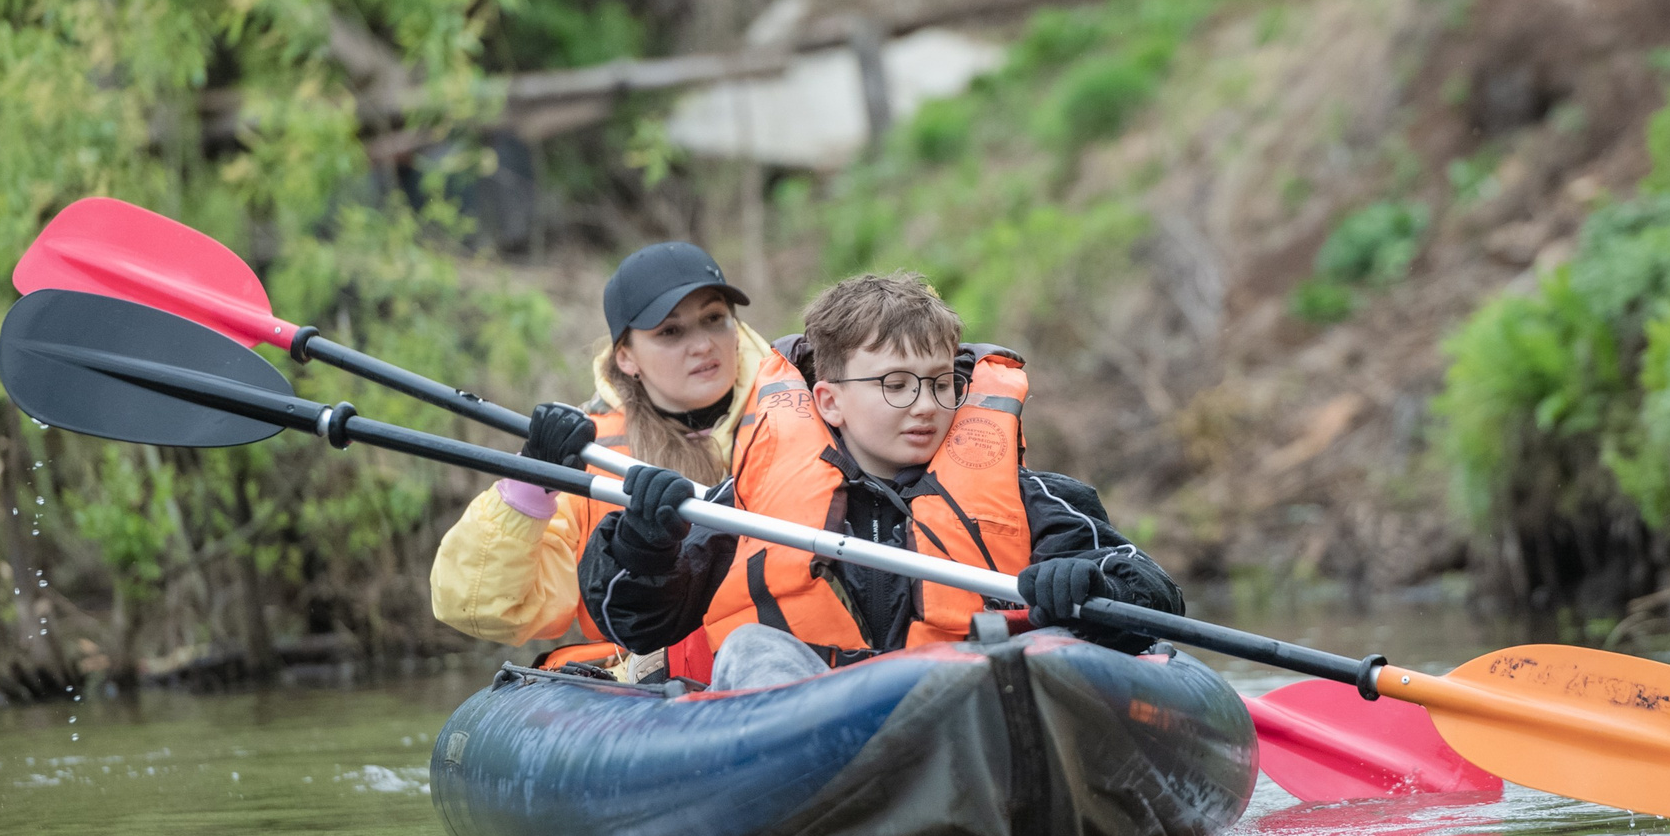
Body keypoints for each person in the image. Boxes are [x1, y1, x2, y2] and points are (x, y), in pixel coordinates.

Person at [577, 270, 1181, 689]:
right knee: (749, 647)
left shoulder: (1031, 499)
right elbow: (637, 622)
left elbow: (1154, 593)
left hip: (967, 717)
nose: (925, 406)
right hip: (809, 734)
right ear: (830, 401)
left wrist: (1093, 586)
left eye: (941, 383)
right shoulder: (745, 505)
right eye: (895, 385)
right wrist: (644, 544)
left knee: (1038, 655)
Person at [428, 241, 767, 666]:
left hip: (780, 651)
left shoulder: (798, 413)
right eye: (670, 331)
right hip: (650, 670)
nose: (702, 345)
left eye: (714, 319)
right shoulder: (590, 455)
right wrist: (530, 481)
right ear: (626, 357)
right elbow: (481, 606)